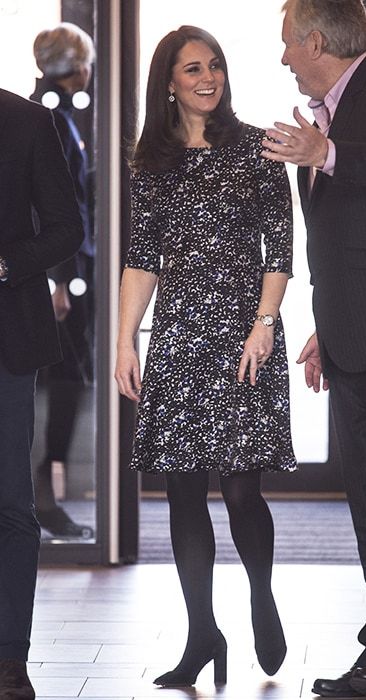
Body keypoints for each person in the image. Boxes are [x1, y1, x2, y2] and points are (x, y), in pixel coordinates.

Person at [115, 25, 296, 687]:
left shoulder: (257, 149)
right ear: (169, 82)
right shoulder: (152, 162)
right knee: (182, 489)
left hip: (244, 335)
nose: (208, 77)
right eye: (193, 69)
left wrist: (265, 323)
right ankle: (201, 635)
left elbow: (280, 248)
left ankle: (263, 596)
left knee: (243, 488)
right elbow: (141, 259)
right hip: (178, 338)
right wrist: (123, 340)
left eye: (214, 65)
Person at [261, 1, 366, 698]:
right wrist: (326, 323)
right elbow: (352, 241)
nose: (284, 57)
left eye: (288, 45)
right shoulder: (317, 125)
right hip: (353, 344)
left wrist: (325, 153)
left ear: (315, 39)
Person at [0, 88, 83, 697]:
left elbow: (65, 229)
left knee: (10, 504)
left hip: (8, 336)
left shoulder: (28, 121)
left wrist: (4, 264)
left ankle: (9, 660)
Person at [30, 22, 95, 538]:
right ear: (75, 67)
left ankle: (41, 497)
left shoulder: (54, 116)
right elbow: (51, 206)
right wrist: (59, 281)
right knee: (65, 381)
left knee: (64, 381)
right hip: (59, 276)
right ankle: (40, 498)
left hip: (65, 271)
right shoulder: (49, 118)